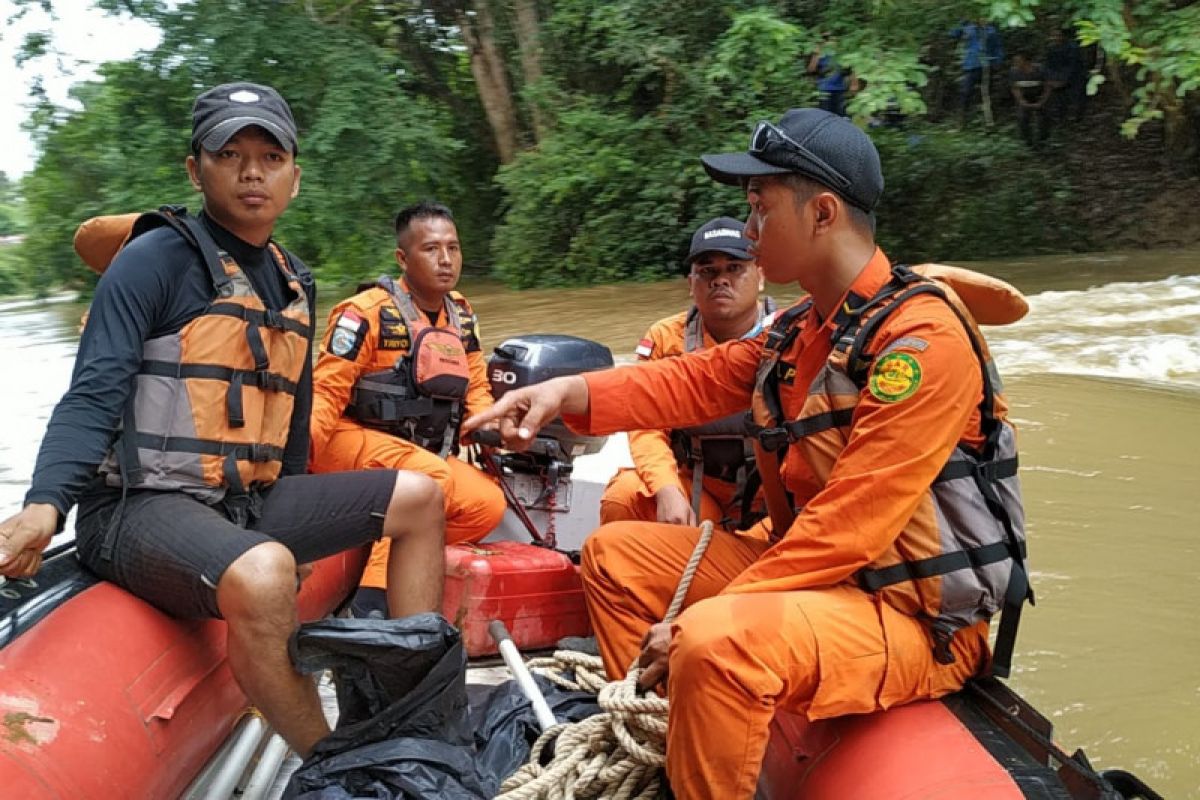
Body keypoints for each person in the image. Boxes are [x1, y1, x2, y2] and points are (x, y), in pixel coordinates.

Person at [463, 108, 1030, 800]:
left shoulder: (920, 340)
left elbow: (852, 525)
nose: (751, 232)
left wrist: (686, 626)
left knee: (711, 638)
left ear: (822, 213)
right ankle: (670, 743)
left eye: (759, 211)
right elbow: (685, 381)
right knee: (614, 557)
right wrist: (565, 392)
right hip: (821, 583)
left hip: (910, 616)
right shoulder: (799, 330)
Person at [0, 82, 446, 758]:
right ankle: (335, 766)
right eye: (230, 154)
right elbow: (93, 392)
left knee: (420, 496)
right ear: (194, 168)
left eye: (270, 156)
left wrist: (300, 529)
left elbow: (290, 424)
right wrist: (44, 504)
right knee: (264, 571)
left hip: (245, 500)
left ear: (295, 176)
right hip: (136, 508)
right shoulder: (153, 260)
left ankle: (408, 718)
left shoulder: (295, 278)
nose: (251, 172)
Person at [309, 200, 504, 618]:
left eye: (453, 248)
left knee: (486, 503)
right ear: (403, 257)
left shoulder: (462, 314)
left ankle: (393, 555)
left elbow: (477, 388)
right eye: (431, 249)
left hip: (414, 453)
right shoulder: (363, 314)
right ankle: (372, 606)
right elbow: (325, 394)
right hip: (348, 441)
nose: (446, 260)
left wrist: (492, 427)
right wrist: (296, 462)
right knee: (430, 478)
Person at [600, 217, 771, 533]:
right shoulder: (666, 337)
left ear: (760, 276)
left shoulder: (791, 334)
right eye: (708, 272)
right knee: (623, 498)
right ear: (691, 284)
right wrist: (666, 489)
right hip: (697, 483)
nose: (720, 280)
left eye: (734, 268)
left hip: (770, 491)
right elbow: (645, 425)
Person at [950, 18, 1005, 126]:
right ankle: (961, 122)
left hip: (986, 65)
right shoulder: (968, 28)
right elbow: (953, 33)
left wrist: (998, 61)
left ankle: (989, 122)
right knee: (965, 92)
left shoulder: (991, 31)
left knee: (987, 94)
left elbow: (998, 47)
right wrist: (962, 21)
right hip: (971, 65)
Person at [1010, 51, 1051, 147]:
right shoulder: (1014, 71)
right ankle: (1027, 141)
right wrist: (1021, 101)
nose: (1016, 63)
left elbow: (1048, 87)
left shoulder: (1040, 70)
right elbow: (1014, 88)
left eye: (1018, 61)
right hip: (1024, 97)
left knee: (1043, 118)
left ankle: (1043, 140)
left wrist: (1042, 101)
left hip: (1040, 95)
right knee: (1022, 117)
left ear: (1026, 61)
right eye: (1015, 61)